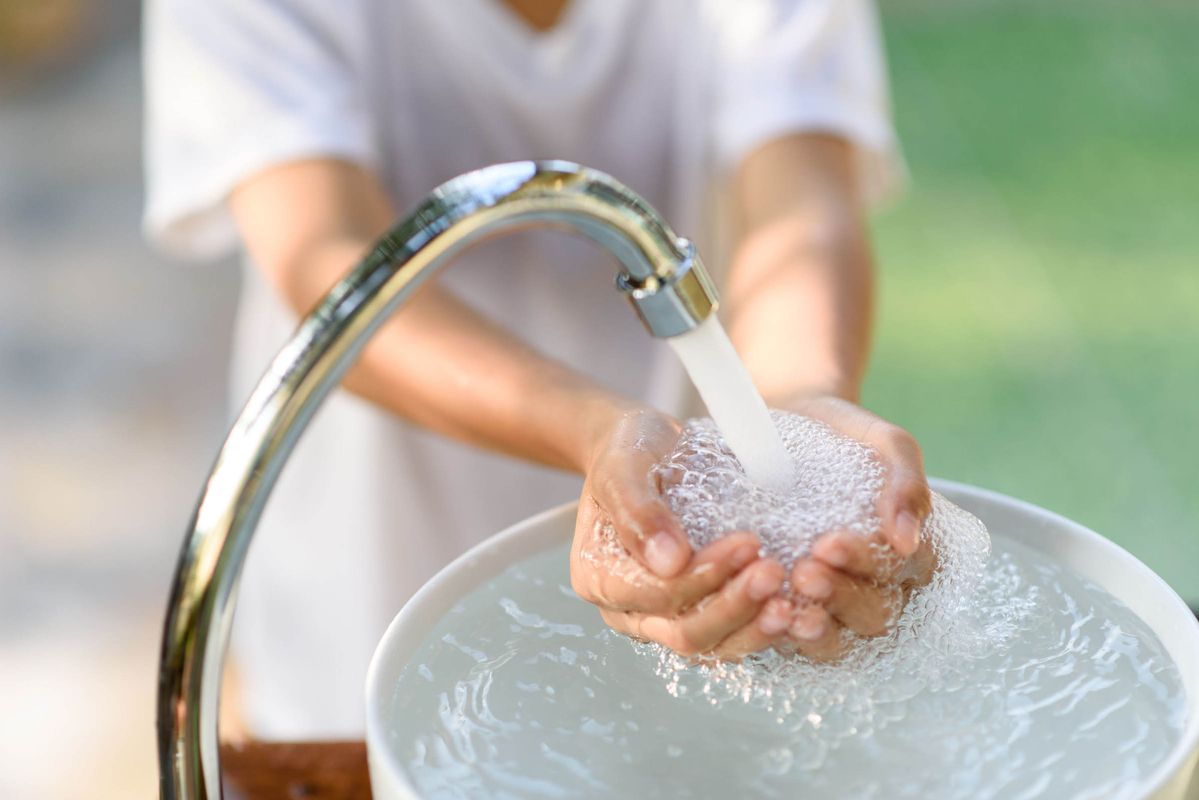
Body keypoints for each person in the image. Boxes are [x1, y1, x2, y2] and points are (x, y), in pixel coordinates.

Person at [144, 0, 935, 739]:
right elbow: (327, 263)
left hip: (694, 596)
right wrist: (595, 431)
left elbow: (797, 206)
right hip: (369, 597)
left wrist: (800, 405)